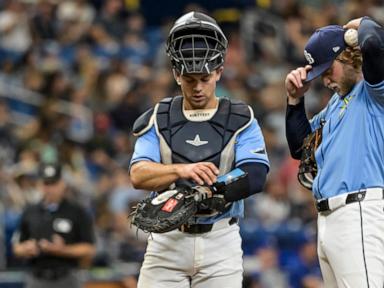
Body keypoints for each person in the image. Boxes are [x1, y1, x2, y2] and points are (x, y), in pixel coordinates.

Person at [129, 11, 269, 288]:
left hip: (220, 238)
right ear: (176, 74)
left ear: (219, 71)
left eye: (204, 78)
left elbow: (256, 175)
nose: (197, 87)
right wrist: (182, 169)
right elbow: (138, 174)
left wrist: (208, 191)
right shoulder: (158, 117)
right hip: (168, 240)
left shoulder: (241, 118)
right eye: (190, 79)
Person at [284, 16, 384, 287]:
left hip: (360, 211)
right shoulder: (334, 106)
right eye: (321, 74)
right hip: (329, 220)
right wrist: (295, 101)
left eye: (329, 70)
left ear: (349, 56)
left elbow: (374, 42)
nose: (326, 80)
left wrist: (360, 24)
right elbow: (300, 149)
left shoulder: (374, 92)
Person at [12, 162, 96, 288]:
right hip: (36, 277)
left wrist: (63, 250)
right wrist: (26, 248)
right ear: (39, 185)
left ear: (63, 184)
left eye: (54, 183)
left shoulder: (77, 211)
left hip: (66, 277)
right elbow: (16, 247)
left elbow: (89, 248)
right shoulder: (30, 211)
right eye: (46, 184)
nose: (50, 189)